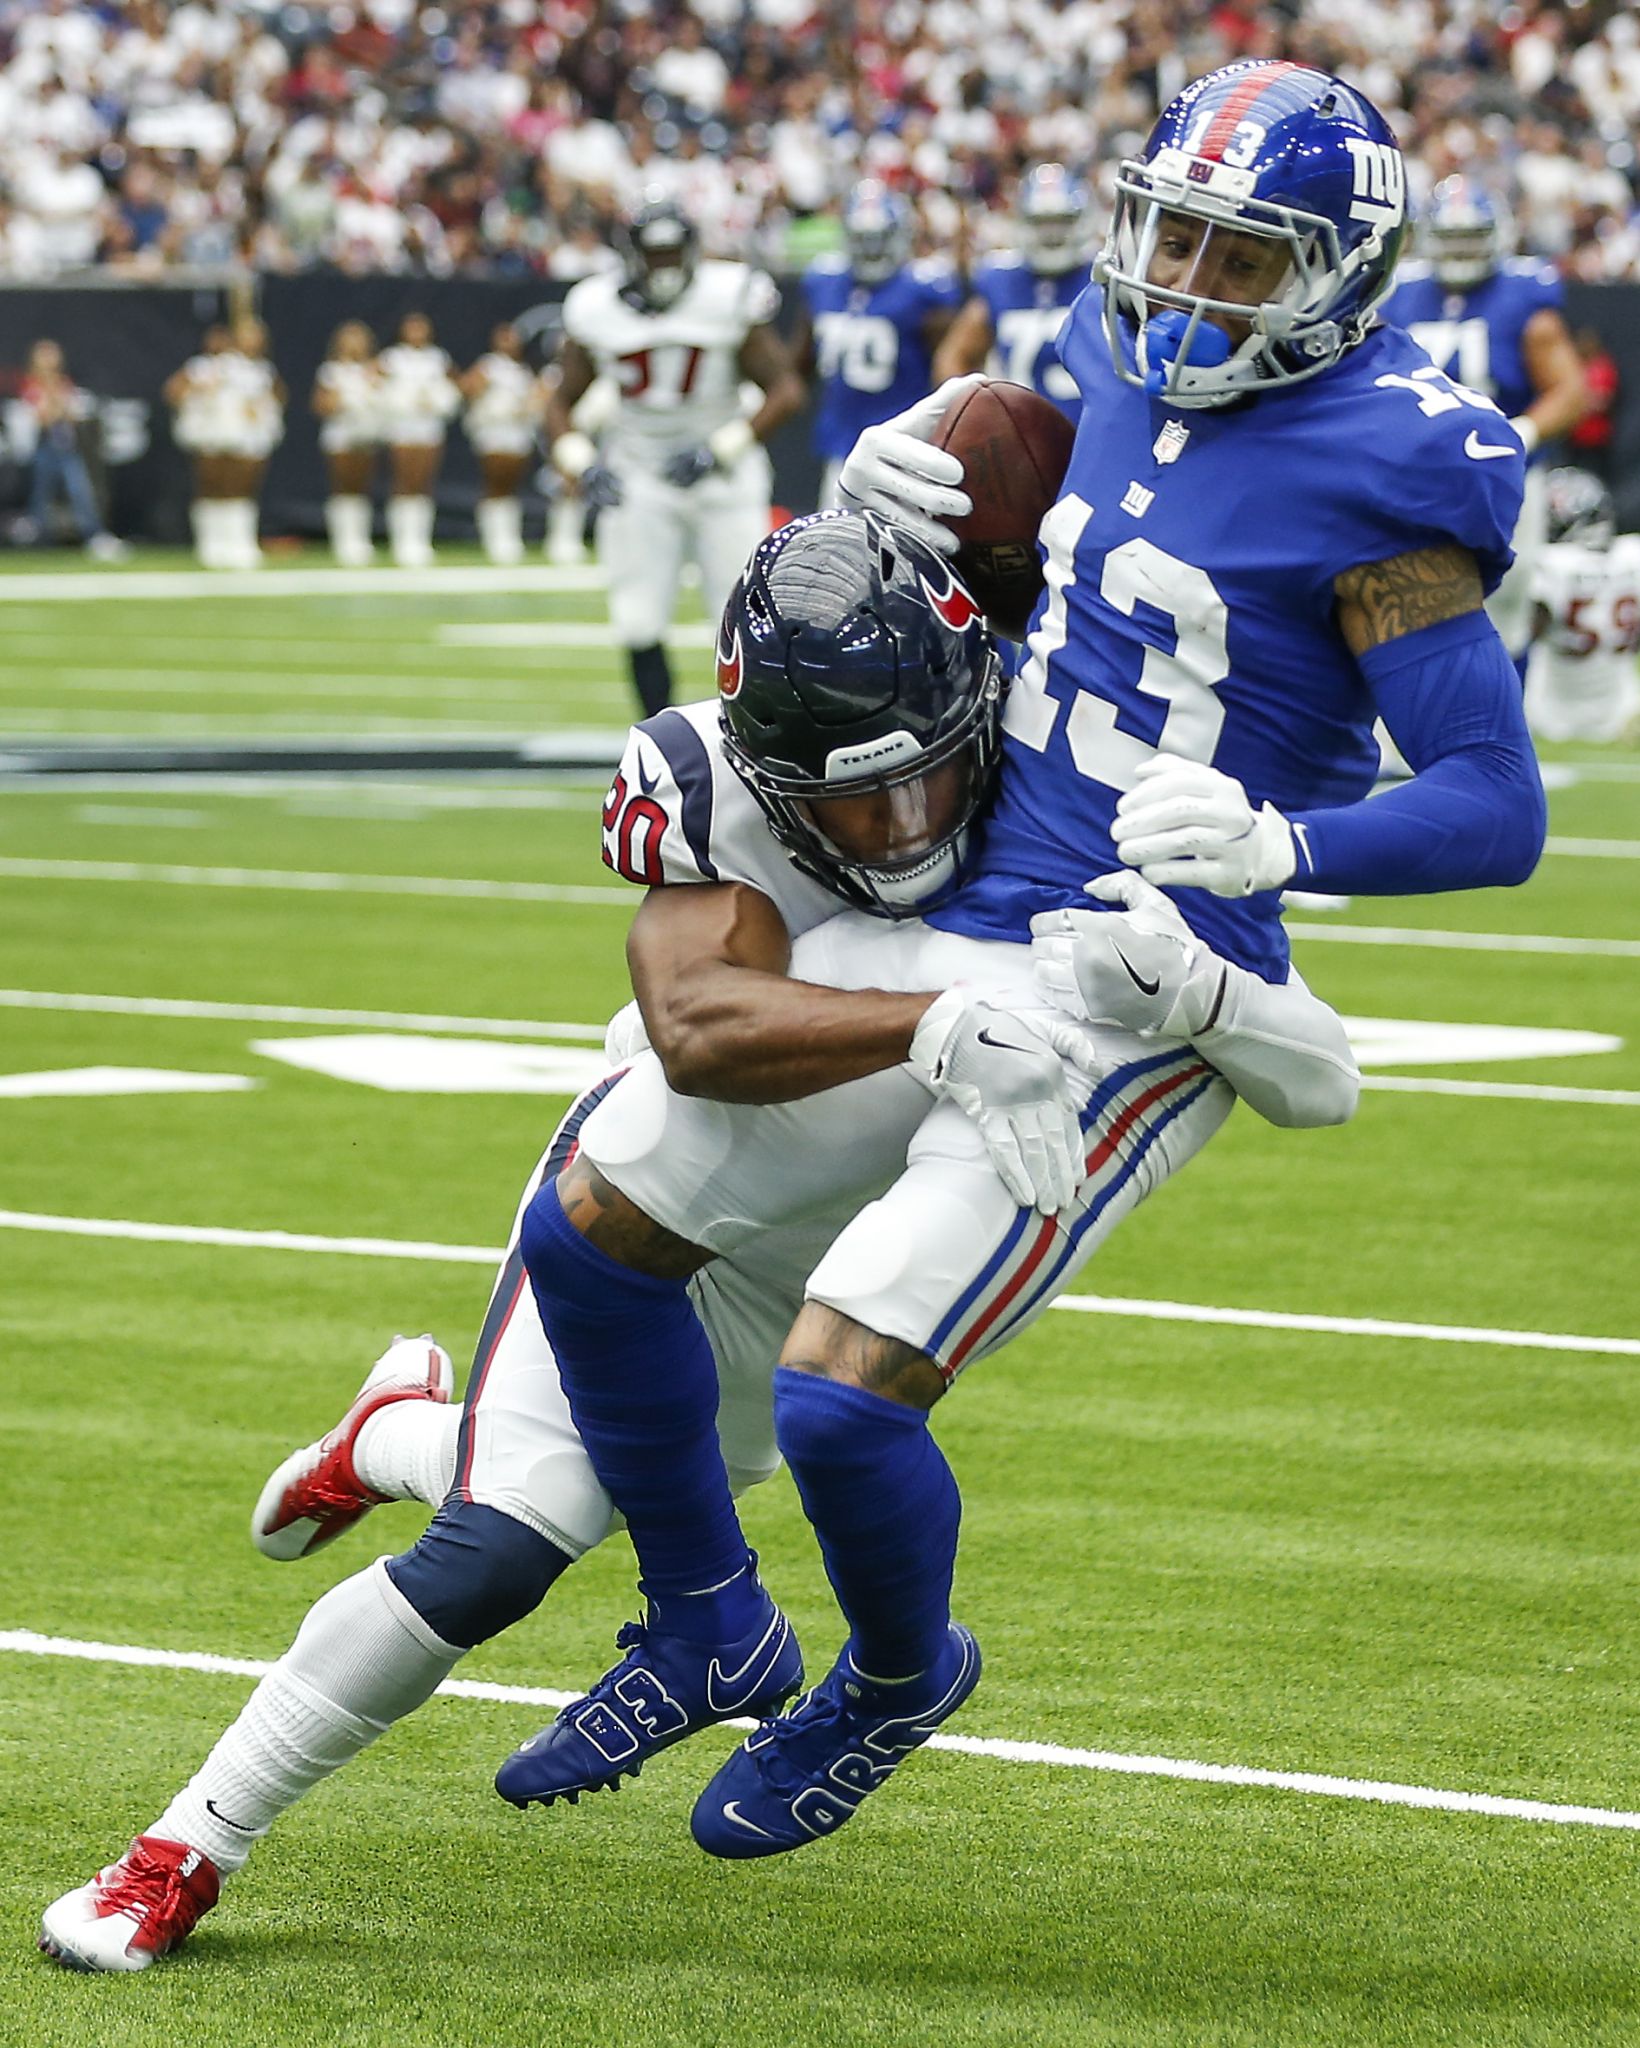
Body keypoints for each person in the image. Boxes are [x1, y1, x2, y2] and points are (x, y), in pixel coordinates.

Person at [36, 512, 1361, 1972]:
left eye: (926, 781)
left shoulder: (1079, 753)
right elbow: (697, 1026)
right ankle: (181, 1849)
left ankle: (405, 1434)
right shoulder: (705, 781)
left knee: (587, 1484)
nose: (901, 830)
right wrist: (929, 1030)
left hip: (842, 1246)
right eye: (852, 808)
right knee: (499, 1551)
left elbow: (1318, 1068)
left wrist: (1206, 998)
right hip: (685, 1192)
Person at [482, 60, 1548, 1862]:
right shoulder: (1102, 349)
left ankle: (897, 1674)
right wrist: (869, 505)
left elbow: (1494, 804)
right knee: (591, 1220)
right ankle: (695, 1612)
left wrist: (1288, 841)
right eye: (1170, 236)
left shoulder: (1395, 466)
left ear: (1343, 275)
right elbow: (1019, 574)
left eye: (1238, 257)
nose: (1182, 286)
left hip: (1128, 966)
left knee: (834, 1387)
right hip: (952, 900)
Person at [545, 195, 805, 717]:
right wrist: (580, 462)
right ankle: (660, 740)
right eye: (653, 254)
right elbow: (559, 401)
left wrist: (720, 450)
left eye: (671, 252)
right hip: (639, 473)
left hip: (724, 477)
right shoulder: (596, 306)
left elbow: (785, 390)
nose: (664, 266)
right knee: (637, 618)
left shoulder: (726, 294)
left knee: (742, 619)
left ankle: (753, 737)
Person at [1380, 176, 1589, 674]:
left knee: (1504, 612)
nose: (1461, 251)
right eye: (1451, 238)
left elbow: (1573, 390)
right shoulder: (1400, 294)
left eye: (1472, 237)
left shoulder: (1522, 296)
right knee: (1393, 607)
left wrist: (1522, 434)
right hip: (1414, 474)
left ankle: (1502, 730)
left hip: (1502, 476)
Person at [796, 181, 962, 507]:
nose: (871, 250)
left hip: (909, 448)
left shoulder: (924, 289)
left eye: (879, 239)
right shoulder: (823, 282)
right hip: (843, 447)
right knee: (836, 548)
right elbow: (802, 364)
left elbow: (948, 372)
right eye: (863, 240)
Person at [932, 164, 1093, 418]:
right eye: (1041, 223)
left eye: (1061, 222)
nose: (1051, 235)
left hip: (1089, 437)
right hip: (1021, 441)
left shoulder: (1102, 279)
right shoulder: (1001, 280)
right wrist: (974, 416)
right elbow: (953, 357)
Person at [1524, 467, 1640, 743]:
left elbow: (1521, 634)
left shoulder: (1549, 564)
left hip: (1546, 714)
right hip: (1624, 710)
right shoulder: (1632, 554)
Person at [17, 340, 124, 559]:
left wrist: (60, 402)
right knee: (40, 497)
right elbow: (44, 418)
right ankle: (35, 541)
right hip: (45, 448)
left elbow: (72, 415)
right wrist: (55, 400)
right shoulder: (31, 384)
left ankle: (95, 536)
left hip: (67, 448)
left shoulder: (63, 382)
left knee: (81, 492)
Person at [377, 311, 459, 569]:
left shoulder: (437, 358)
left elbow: (455, 386)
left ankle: (420, 540)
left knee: (424, 481)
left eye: (421, 328)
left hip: (428, 425)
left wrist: (437, 399)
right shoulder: (392, 358)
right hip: (402, 425)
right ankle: (401, 541)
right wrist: (401, 400)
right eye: (411, 328)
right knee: (404, 480)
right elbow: (374, 385)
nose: (416, 333)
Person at [460, 322, 543, 567]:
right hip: (494, 430)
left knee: (512, 483)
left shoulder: (523, 370)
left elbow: (535, 396)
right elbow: (467, 388)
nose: (509, 342)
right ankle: (493, 537)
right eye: (504, 337)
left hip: (518, 430)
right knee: (495, 482)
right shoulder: (488, 365)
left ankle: (510, 536)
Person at [211, 315, 285, 570]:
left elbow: (278, 396)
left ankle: (241, 540)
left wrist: (263, 406)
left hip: (256, 431)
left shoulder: (263, 369)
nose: (252, 341)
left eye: (256, 335)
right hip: (228, 431)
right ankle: (220, 542)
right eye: (247, 335)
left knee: (249, 486)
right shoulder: (223, 365)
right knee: (228, 485)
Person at [165, 325, 237, 569]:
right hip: (207, 431)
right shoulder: (198, 367)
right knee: (209, 483)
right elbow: (172, 392)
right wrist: (197, 389)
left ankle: (237, 540)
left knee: (236, 485)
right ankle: (210, 542)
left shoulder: (242, 368)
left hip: (237, 433)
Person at [311, 320, 381, 567]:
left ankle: (360, 539)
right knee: (343, 486)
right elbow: (321, 405)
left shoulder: (375, 369)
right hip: (341, 434)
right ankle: (343, 540)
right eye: (350, 338)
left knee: (362, 487)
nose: (355, 344)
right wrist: (339, 401)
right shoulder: (331, 371)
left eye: (359, 338)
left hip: (367, 433)